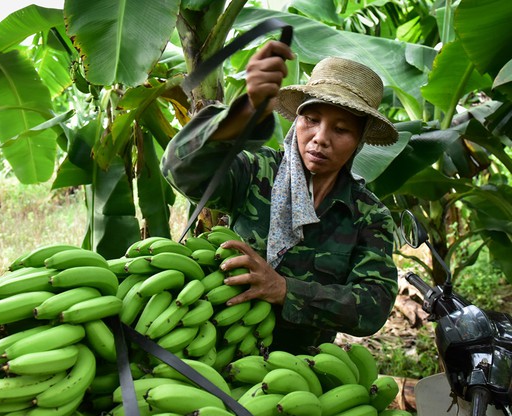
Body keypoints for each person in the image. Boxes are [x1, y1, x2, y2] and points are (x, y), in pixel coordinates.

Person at [161, 41, 399, 355]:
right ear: (297, 120)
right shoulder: (258, 172)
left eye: (341, 130)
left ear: (358, 141)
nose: (320, 138)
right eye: (311, 120)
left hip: (299, 367)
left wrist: (285, 290)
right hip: (219, 346)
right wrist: (242, 110)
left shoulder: (367, 215)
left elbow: (372, 306)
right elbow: (180, 169)